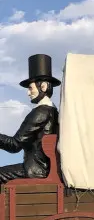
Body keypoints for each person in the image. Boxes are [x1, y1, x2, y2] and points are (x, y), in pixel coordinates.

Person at [0, 53, 61, 183]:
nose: (28, 93)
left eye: (30, 88)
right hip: (44, 168)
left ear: (43, 86)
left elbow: (14, 145)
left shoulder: (41, 112)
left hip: (35, 169)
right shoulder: (54, 111)